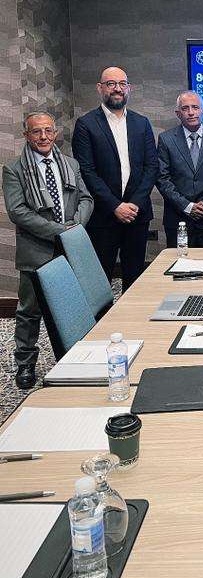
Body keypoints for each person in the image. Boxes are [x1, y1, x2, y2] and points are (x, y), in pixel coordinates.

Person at [2, 112, 93, 389]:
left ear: (55, 133)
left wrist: (75, 226)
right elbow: (17, 212)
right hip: (36, 250)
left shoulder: (70, 164)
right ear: (26, 135)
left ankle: (78, 356)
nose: (43, 137)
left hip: (70, 248)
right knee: (29, 311)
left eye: (48, 131)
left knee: (74, 306)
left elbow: (86, 199)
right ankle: (25, 363)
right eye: (36, 132)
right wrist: (58, 230)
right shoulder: (14, 169)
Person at [72, 66, 158, 291]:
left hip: (137, 215)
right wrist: (115, 206)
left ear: (129, 88)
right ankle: (103, 316)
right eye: (111, 84)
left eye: (122, 84)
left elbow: (151, 167)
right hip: (103, 216)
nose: (117, 89)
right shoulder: (86, 124)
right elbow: (87, 171)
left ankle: (133, 316)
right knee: (100, 282)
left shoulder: (142, 123)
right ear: (100, 88)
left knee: (135, 278)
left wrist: (134, 203)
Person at [157, 91, 203, 247]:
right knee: (178, 261)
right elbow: (162, 179)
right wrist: (187, 206)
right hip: (178, 219)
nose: (191, 112)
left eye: (195, 107)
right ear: (178, 113)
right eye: (185, 108)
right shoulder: (166, 139)